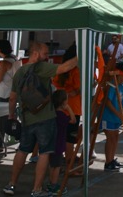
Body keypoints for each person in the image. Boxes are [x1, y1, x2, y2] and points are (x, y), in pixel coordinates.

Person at [3, 40, 78, 197]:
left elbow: (12, 98)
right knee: (44, 152)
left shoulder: (20, 71)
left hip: (27, 118)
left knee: (22, 150)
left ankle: (11, 184)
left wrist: (11, 116)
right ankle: (36, 189)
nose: (46, 56)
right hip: (45, 118)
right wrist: (82, 55)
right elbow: (65, 67)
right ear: (35, 53)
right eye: (44, 53)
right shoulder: (41, 68)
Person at [101, 61, 123, 171]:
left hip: (116, 117)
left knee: (115, 137)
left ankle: (111, 160)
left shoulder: (121, 86)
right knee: (110, 138)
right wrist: (119, 114)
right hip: (108, 116)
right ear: (119, 73)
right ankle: (108, 162)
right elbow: (107, 102)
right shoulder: (111, 85)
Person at [52, 42, 81, 173]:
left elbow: (56, 84)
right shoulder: (76, 71)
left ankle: (62, 161)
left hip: (59, 106)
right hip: (73, 107)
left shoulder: (62, 69)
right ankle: (69, 165)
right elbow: (79, 89)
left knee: (61, 136)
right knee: (70, 138)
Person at [46, 89, 75, 195]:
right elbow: (73, 120)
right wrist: (68, 108)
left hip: (50, 143)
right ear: (63, 102)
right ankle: (53, 185)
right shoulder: (62, 115)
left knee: (51, 165)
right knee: (57, 166)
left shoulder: (51, 114)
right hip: (58, 144)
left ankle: (51, 183)